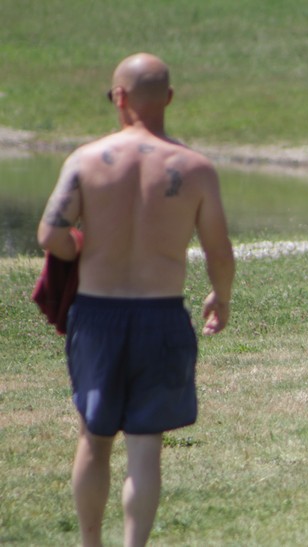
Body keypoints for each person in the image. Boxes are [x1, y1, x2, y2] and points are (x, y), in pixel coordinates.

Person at [37, 53, 235, 546]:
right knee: (145, 448)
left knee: (94, 438)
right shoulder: (195, 168)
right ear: (168, 98)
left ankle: (90, 542)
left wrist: (80, 247)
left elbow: (51, 234)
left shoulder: (86, 160)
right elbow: (218, 250)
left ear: (119, 97)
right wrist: (221, 296)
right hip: (161, 315)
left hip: (97, 315)